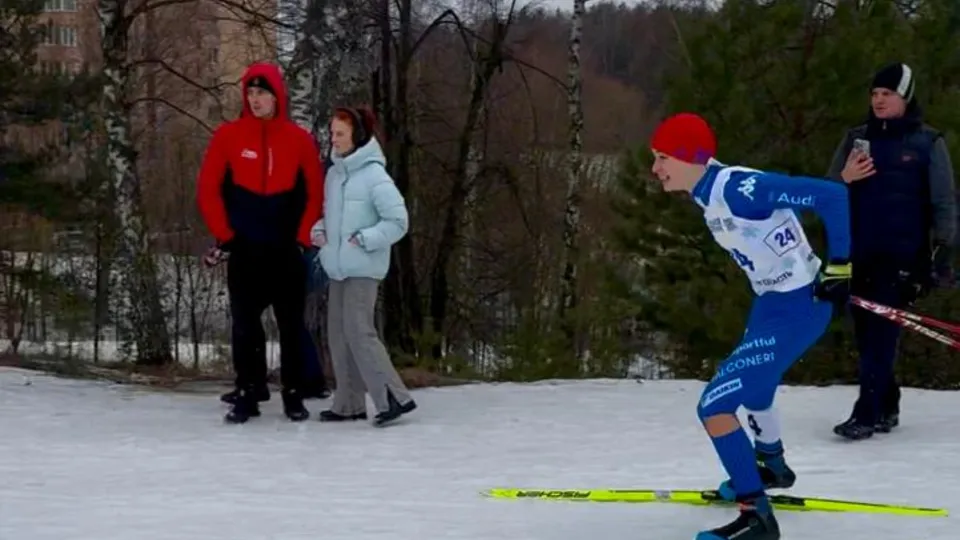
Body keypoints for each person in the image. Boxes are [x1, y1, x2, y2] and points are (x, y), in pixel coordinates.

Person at [648, 113, 852, 540]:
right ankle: (772, 467)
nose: (656, 169)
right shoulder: (708, 192)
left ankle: (756, 517)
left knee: (715, 406)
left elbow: (832, 196)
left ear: (688, 158)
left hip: (798, 308)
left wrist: (839, 267)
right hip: (772, 305)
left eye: (662, 158)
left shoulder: (740, 189)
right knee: (757, 389)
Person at [825, 62, 956, 441]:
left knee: (882, 333)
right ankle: (888, 401)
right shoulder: (855, 139)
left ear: (905, 97)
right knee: (866, 334)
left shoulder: (928, 143)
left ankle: (866, 412)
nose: (879, 100)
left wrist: (942, 251)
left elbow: (944, 202)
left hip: (902, 257)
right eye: (875, 94)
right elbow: (825, 193)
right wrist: (844, 179)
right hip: (856, 252)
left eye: (888, 94)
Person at [196, 61, 324, 424]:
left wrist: (302, 239)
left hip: (285, 249)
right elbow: (208, 190)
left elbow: (315, 194)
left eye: (262, 93)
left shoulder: (299, 140)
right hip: (246, 247)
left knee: (290, 325)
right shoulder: (228, 136)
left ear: (276, 95)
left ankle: (294, 395)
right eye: (250, 93)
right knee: (244, 325)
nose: (255, 100)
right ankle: (248, 393)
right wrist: (226, 234)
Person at [309, 106, 417, 427]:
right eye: (332, 133)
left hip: (364, 268)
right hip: (338, 266)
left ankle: (394, 397)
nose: (334, 139)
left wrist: (367, 238)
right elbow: (334, 219)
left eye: (340, 133)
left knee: (359, 331)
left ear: (357, 136)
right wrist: (320, 230)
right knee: (339, 334)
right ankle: (348, 404)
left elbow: (398, 221)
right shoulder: (334, 174)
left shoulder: (374, 175)